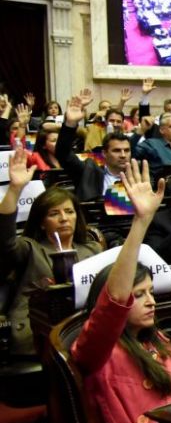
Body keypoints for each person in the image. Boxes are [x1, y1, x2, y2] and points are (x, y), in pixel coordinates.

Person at [71, 159, 171, 423]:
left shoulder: (154, 339)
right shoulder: (98, 350)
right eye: (138, 295)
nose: (151, 302)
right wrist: (141, 223)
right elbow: (113, 305)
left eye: (150, 292)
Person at [1, 149, 103, 356]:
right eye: (54, 214)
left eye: (69, 212)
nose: (64, 218)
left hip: (86, 328)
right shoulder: (31, 249)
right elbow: (4, 240)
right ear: (41, 223)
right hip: (37, 331)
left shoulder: (93, 250)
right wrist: (14, 189)